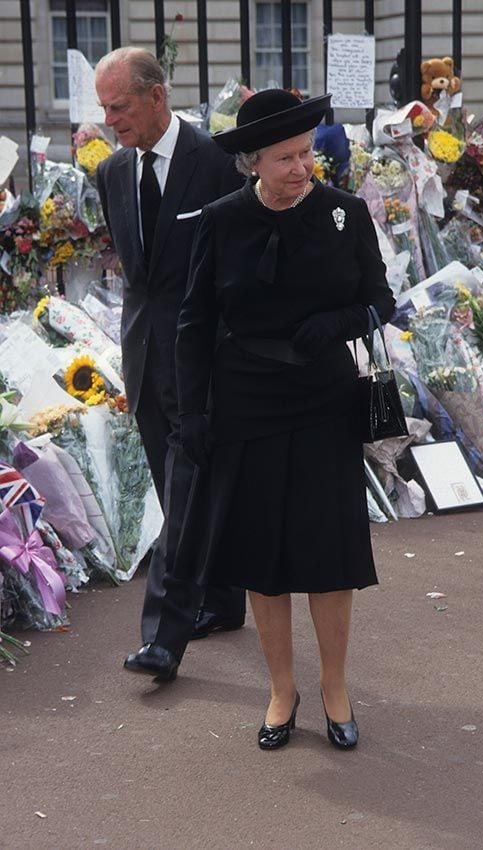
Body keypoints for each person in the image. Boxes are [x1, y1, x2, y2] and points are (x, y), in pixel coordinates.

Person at [154, 88, 395, 747]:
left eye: (306, 153)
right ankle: (281, 690)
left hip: (324, 399)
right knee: (262, 554)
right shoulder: (220, 221)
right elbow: (193, 324)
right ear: (251, 162)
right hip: (246, 403)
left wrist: (333, 323)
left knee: (328, 551)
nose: (300, 168)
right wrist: (195, 412)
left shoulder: (345, 214)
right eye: (285, 157)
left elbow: (380, 303)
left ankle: (334, 687)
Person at [94, 47, 246, 678]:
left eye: (120, 107)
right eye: (103, 110)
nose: (111, 122)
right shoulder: (110, 174)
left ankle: (164, 633)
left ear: (157, 96)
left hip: (204, 361)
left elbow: (232, 272)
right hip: (145, 356)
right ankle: (222, 599)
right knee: (174, 481)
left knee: (182, 492)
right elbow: (140, 277)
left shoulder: (215, 164)